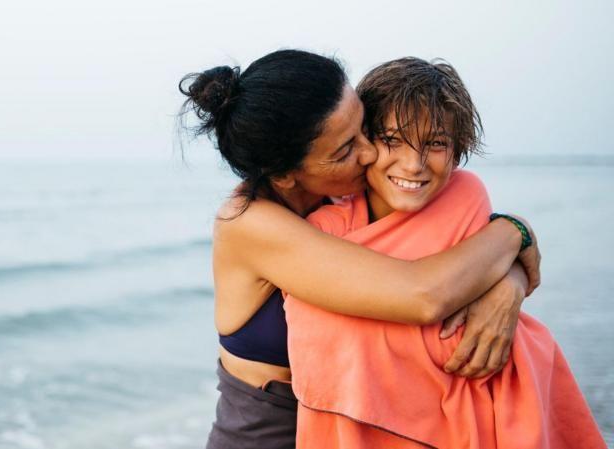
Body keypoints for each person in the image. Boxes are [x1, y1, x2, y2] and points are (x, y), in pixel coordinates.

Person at [178, 49, 541, 449]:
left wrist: (511, 281)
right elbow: (422, 294)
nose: (369, 154)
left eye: (364, 129)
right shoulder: (247, 223)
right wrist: (514, 232)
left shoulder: (340, 203)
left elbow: (451, 252)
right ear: (285, 174)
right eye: (346, 149)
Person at [285, 57, 606, 449]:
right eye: (392, 139)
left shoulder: (465, 197)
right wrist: (510, 262)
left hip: (493, 412)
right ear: (364, 141)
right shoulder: (323, 230)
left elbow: (488, 259)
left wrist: (510, 283)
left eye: (435, 144)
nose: (414, 165)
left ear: (456, 152)